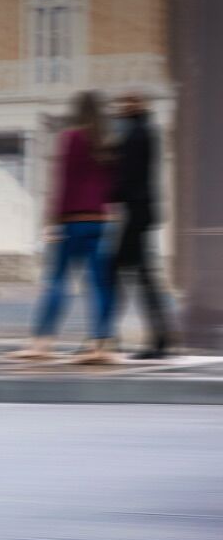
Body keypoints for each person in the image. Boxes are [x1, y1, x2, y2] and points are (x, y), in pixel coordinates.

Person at [12, 91, 116, 364]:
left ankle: (42, 343)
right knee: (99, 285)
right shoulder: (106, 143)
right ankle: (100, 346)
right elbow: (112, 186)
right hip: (100, 221)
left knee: (57, 282)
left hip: (71, 221)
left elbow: (64, 182)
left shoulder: (71, 138)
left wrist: (52, 222)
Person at [107, 91, 173, 359]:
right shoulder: (144, 130)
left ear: (136, 106)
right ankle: (156, 339)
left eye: (126, 103)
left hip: (136, 212)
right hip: (141, 212)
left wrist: (110, 195)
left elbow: (128, 175)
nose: (121, 107)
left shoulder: (136, 133)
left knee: (120, 274)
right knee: (140, 276)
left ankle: (109, 337)